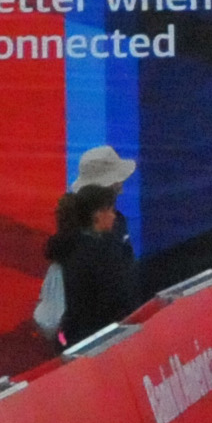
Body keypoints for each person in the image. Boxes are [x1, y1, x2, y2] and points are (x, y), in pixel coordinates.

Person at [45, 149, 142, 348]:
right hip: (95, 344)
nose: (121, 188)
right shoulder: (79, 245)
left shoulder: (116, 223)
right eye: (117, 182)